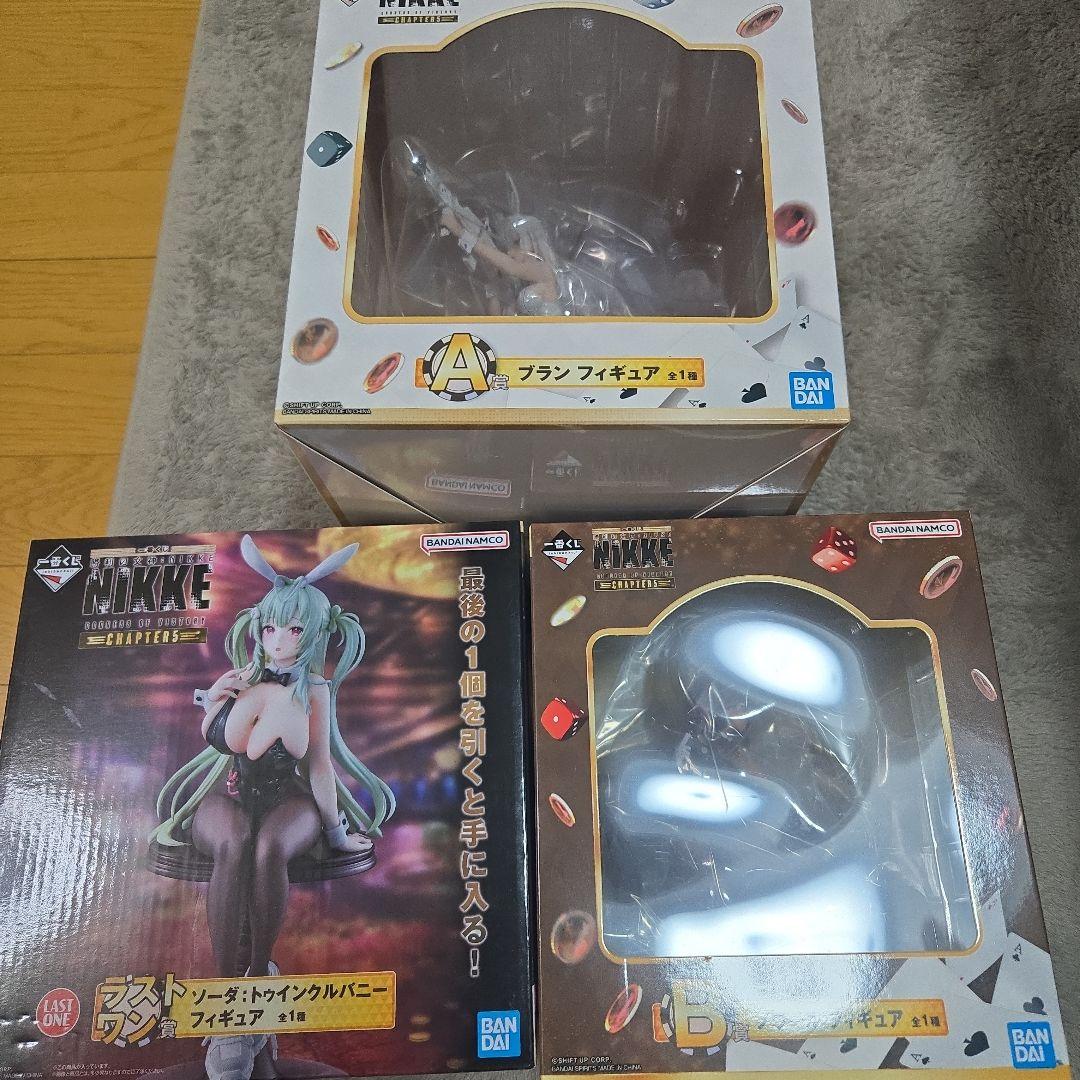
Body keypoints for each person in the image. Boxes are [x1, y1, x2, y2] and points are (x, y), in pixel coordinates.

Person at [151, 536, 395, 1080]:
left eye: (294, 630)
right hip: (233, 793)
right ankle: (229, 1008)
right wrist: (217, 697)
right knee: (233, 842)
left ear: (314, 634)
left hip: (292, 801)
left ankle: (257, 982)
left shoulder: (316, 691)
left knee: (265, 849)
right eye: (270, 629)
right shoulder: (242, 681)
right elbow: (216, 738)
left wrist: (336, 831)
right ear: (258, 630)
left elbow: (321, 767)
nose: (279, 641)